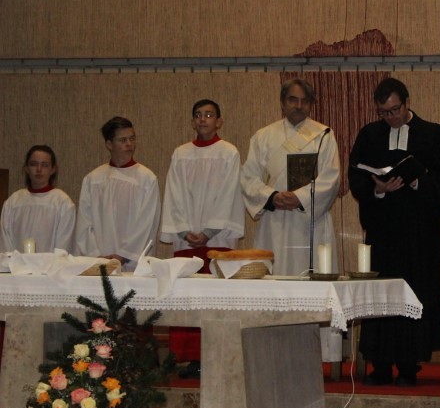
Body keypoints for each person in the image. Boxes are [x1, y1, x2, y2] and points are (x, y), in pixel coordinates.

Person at [348, 77, 440, 386]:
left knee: (414, 294)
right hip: (383, 232)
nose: (390, 117)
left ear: (407, 103)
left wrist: (416, 180)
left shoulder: (434, 134)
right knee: (381, 294)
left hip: (419, 233)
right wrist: (377, 189)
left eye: (395, 110)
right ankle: (380, 365)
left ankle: (409, 366)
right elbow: (357, 176)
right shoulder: (369, 135)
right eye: (383, 112)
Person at [160, 99, 245, 378]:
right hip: (187, 241)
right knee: (187, 299)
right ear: (192, 121)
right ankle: (186, 357)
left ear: (219, 121)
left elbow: (229, 194)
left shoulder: (228, 152)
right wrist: (184, 231)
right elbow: (173, 194)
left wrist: (208, 232)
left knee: (214, 299)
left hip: (217, 241)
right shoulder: (181, 154)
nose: (203, 119)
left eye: (209, 115)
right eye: (198, 115)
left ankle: (217, 355)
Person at [240, 78, 340, 276]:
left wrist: (300, 197)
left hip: (309, 221)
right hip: (274, 219)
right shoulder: (263, 136)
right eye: (293, 100)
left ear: (311, 105)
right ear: (282, 102)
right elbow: (248, 178)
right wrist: (272, 197)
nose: (299, 106)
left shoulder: (324, 135)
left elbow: (331, 178)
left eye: (304, 101)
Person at [76, 117, 160, 272]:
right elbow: (84, 222)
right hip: (99, 262)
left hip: (133, 264)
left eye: (132, 139)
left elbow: (147, 223)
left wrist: (123, 255)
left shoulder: (146, 179)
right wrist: (97, 256)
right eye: (123, 140)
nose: (129, 144)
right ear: (109, 144)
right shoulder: (93, 179)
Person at [1, 145, 76, 254]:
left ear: (53, 169)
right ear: (26, 168)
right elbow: (5, 242)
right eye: (33, 164)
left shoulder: (63, 202)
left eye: (45, 165)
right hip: (16, 264)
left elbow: (63, 246)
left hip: (51, 264)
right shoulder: (13, 202)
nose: (39, 169)